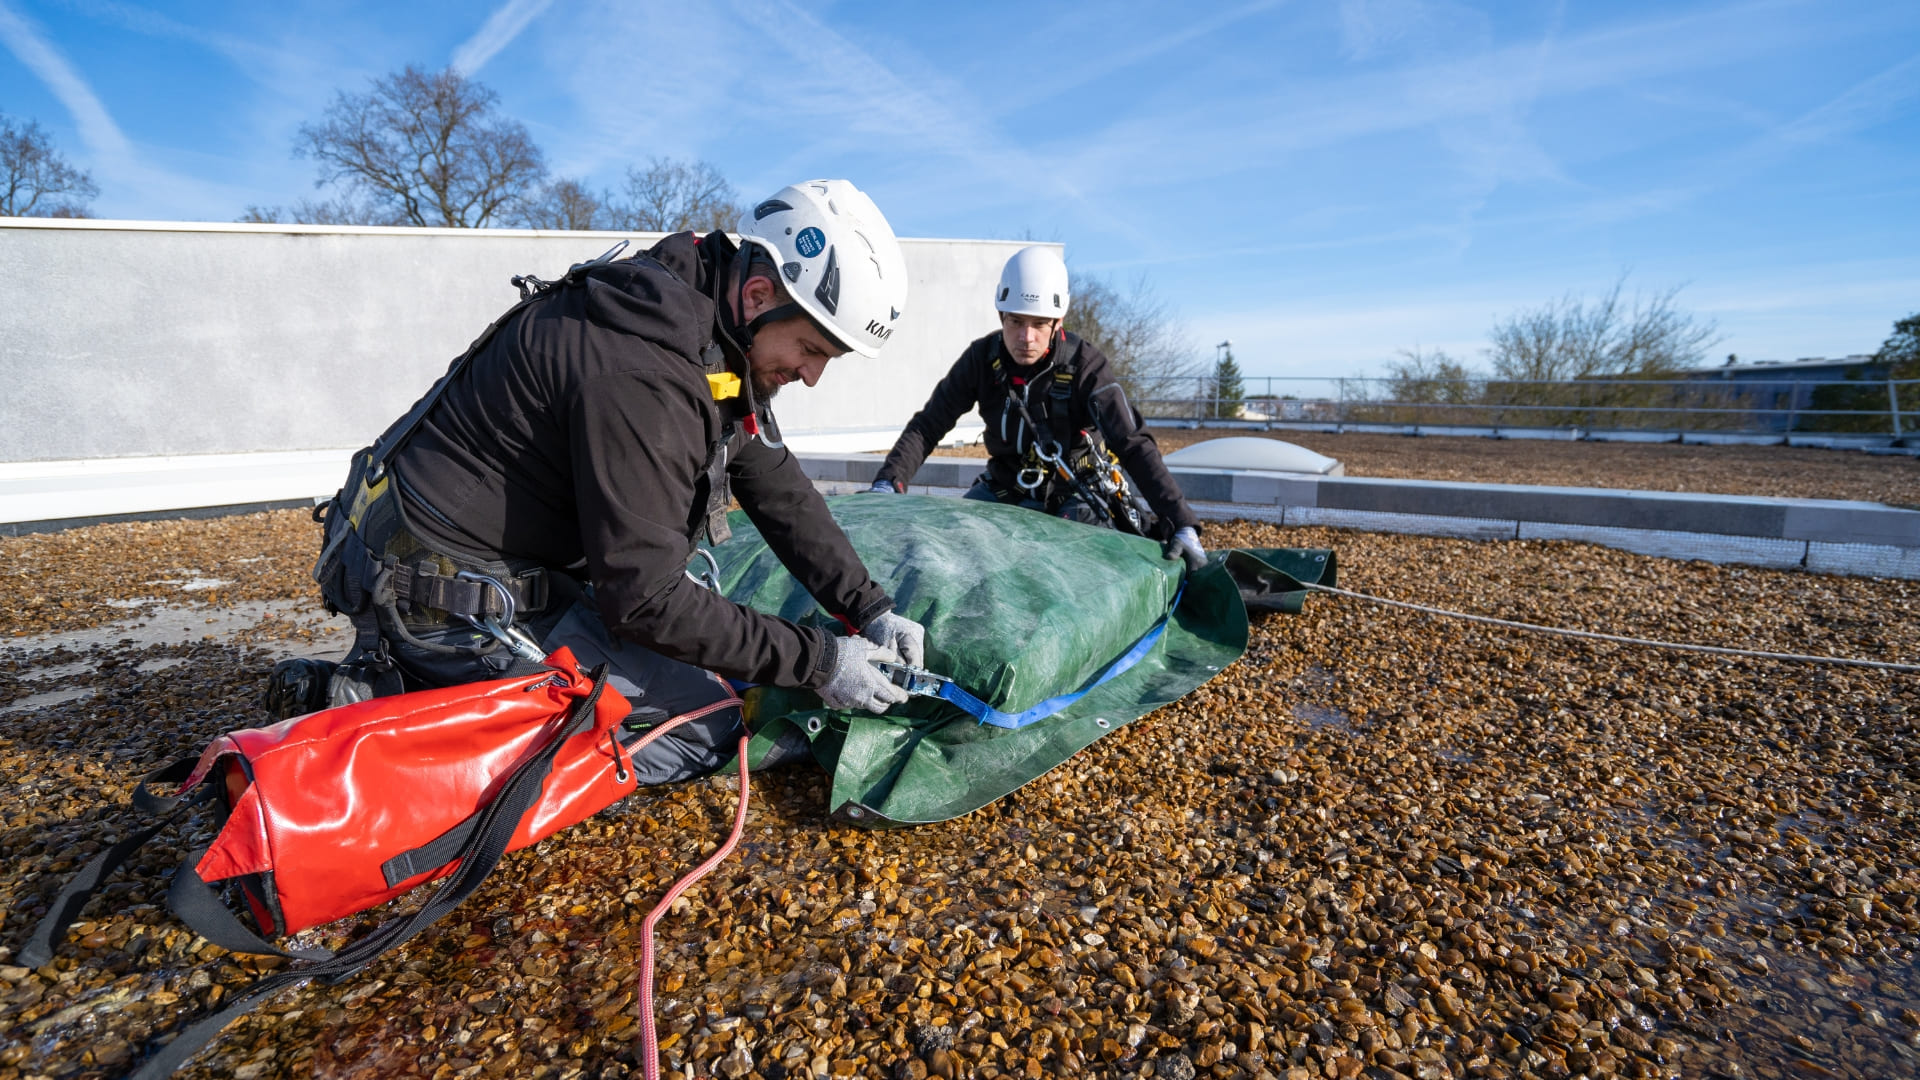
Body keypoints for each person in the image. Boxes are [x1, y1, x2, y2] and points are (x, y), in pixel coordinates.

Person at [269, 180, 929, 785]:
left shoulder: (703, 326)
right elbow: (646, 602)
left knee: (708, 668)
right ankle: (384, 707)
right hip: (432, 583)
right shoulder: (646, 374)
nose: (813, 375)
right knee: (699, 728)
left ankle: (409, 682)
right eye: (812, 350)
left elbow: (775, 483)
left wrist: (868, 608)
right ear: (758, 297)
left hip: (456, 550)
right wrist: (820, 662)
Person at [867, 245, 1206, 570]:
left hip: (1072, 494)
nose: (1025, 337)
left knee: (1082, 568)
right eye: (1015, 322)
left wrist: (1181, 523)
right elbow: (930, 424)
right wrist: (888, 482)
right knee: (950, 551)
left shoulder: (1086, 367)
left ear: (1058, 321)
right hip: (1005, 488)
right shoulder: (982, 360)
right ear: (1001, 315)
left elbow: (1132, 443)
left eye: (1039, 323)